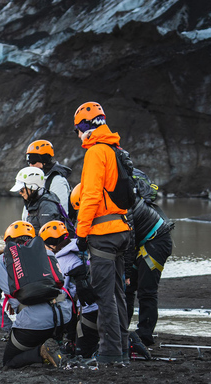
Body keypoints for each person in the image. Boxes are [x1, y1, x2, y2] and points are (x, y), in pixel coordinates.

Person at [73, 101, 132, 365]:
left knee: (103, 295)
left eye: (77, 129)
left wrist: (81, 233)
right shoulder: (115, 149)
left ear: (86, 127)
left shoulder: (96, 152)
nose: (77, 135)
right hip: (121, 229)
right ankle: (121, 349)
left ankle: (109, 354)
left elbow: (90, 195)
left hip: (103, 233)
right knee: (118, 293)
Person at [0, 221, 72, 369]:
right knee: (42, 333)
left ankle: (42, 352)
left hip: (33, 323)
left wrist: (10, 328)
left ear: (7, 241)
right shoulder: (47, 253)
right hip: (63, 317)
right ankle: (55, 346)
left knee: (9, 362)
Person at [124, 179, 174, 348]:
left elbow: (129, 243)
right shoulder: (118, 200)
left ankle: (145, 335)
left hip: (157, 241)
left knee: (146, 291)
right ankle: (122, 329)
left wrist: (127, 274)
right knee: (128, 289)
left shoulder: (124, 206)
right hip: (144, 240)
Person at [39, 220, 99, 358]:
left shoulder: (62, 260)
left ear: (52, 245)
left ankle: (70, 341)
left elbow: (62, 292)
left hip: (88, 311)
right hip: (100, 303)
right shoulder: (78, 249)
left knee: (82, 354)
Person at [9, 167, 67, 234]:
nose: (20, 192)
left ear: (33, 187)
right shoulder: (34, 202)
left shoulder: (46, 206)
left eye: (22, 189)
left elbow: (48, 237)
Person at [25, 139, 73, 216]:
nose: (30, 165)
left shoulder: (57, 181)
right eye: (28, 161)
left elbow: (61, 213)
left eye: (33, 161)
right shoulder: (35, 180)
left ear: (44, 161)